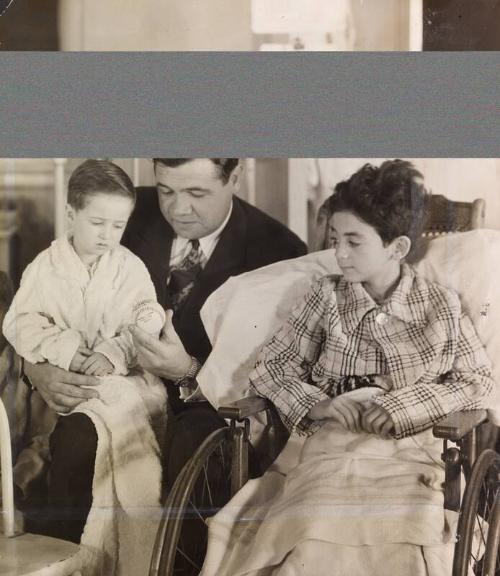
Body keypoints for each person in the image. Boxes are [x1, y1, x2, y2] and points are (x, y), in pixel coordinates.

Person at [199, 160, 494, 576]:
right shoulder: (326, 297)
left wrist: (402, 406)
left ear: (398, 248)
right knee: (313, 527)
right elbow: (271, 367)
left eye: (354, 242)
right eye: (335, 238)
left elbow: (477, 381)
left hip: (409, 459)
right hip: (328, 453)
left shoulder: (439, 306)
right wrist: (319, 404)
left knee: (401, 538)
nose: (337, 253)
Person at [23, 157, 307, 540]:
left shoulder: (279, 251)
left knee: (193, 454)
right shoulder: (120, 211)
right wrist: (36, 369)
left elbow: (276, 374)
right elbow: (46, 300)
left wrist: (189, 369)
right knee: (79, 440)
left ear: (234, 177)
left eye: (196, 193)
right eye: (165, 190)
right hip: (110, 392)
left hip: (205, 411)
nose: (177, 209)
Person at [4, 159, 166, 541]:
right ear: (71, 215)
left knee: (93, 434)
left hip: (118, 381)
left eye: (118, 225)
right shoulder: (45, 268)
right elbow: (19, 321)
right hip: (61, 384)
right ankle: (56, 529)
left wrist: (113, 351)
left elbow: (148, 317)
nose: (108, 235)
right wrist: (63, 348)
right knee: (48, 443)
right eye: (98, 223)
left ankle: (95, 534)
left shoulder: (129, 268)